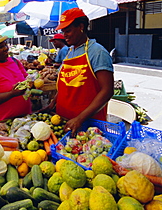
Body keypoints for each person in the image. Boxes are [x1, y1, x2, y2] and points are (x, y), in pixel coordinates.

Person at [46, 8, 114, 136]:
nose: (64, 35)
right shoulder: (70, 52)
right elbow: (65, 83)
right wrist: (53, 102)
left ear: (81, 27)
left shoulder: (97, 52)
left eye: (68, 31)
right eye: (63, 31)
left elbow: (107, 91)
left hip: (88, 123)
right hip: (65, 120)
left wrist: (80, 118)